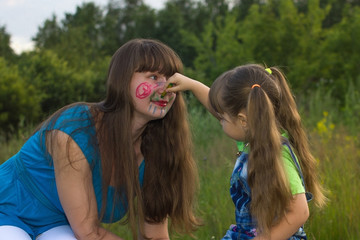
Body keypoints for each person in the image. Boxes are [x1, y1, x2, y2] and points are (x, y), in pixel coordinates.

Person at [0, 38, 200, 240]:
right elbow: (87, 232)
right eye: (154, 76)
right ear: (122, 81)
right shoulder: (75, 129)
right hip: (6, 208)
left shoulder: (158, 150)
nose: (165, 88)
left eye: (171, 79)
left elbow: (154, 235)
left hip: (58, 224)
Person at [167, 64, 326, 240]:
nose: (220, 120)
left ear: (243, 121)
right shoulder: (252, 140)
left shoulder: (279, 155)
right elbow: (220, 109)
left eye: (223, 119)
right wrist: (192, 85)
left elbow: (300, 212)